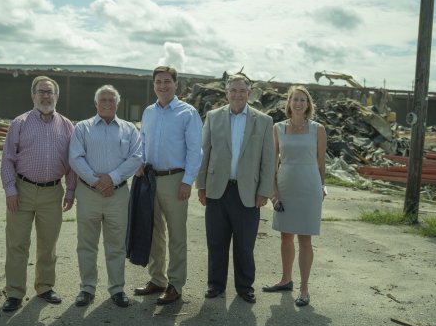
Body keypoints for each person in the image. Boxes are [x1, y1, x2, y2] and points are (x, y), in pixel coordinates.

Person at [0, 76, 77, 312]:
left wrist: (71, 190)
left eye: (50, 92)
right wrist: (10, 190)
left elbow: (72, 163)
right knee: (17, 243)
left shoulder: (66, 125)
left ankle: (44, 287)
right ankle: (14, 292)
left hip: (53, 192)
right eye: (41, 92)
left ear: (57, 96)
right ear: (33, 96)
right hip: (22, 191)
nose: (46, 96)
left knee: (48, 243)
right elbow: (7, 159)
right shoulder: (19, 123)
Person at [196, 74, 275, 303]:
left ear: (249, 94)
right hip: (217, 190)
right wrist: (201, 185)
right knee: (216, 242)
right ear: (226, 93)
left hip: (248, 192)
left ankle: (245, 286)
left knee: (244, 244)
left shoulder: (263, 121)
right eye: (233, 90)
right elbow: (205, 153)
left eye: (242, 91)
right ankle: (216, 284)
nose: (237, 95)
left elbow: (268, 159)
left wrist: (264, 191)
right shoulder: (213, 117)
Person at [133, 66, 202, 305]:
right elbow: (142, 142)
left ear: (176, 85)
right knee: (154, 233)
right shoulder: (149, 112)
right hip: (150, 179)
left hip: (175, 180)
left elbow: (195, 150)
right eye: (158, 82)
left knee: (176, 235)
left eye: (167, 82)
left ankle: (175, 285)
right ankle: (157, 279)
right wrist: (139, 163)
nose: (162, 86)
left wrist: (187, 181)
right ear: (154, 85)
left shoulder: (188, 113)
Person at [69, 85, 142, 308]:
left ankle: (117, 288)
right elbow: (75, 158)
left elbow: (137, 157)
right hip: (89, 193)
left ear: (118, 104)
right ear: (96, 103)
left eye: (112, 100)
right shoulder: (82, 128)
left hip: (118, 195)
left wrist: (111, 178)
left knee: (116, 245)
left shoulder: (129, 129)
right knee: (86, 244)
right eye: (103, 100)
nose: (108, 103)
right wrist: (96, 182)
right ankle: (87, 288)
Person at [263, 85, 327, 307]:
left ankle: (304, 288)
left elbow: (321, 163)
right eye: (295, 99)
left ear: (308, 104)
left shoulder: (318, 129)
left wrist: (322, 187)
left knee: (305, 239)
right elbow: (273, 162)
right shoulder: (278, 128)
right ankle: (285, 279)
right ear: (288, 103)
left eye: (303, 100)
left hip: (309, 186)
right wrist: (274, 191)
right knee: (285, 236)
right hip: (285, 184)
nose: (299, 103)